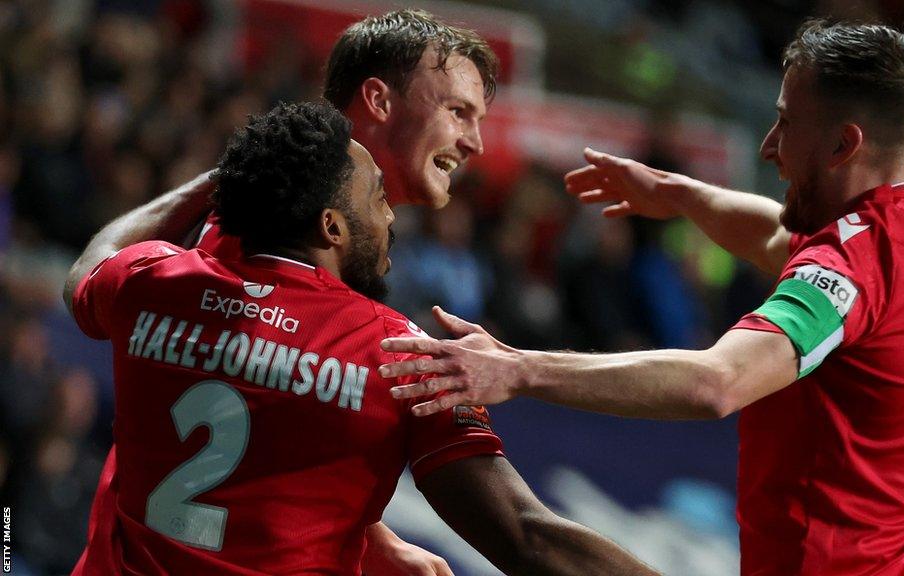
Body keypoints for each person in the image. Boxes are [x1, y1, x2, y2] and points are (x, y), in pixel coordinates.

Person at [382, 19, 904, 575]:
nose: (769, 147)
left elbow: (718, 383)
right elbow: (772, 232)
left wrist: (518, 368)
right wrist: (675, 193)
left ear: (844, 145)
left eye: (786, 123)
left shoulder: (851, 264)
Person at [65, 101, 655, 575]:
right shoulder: (396, 350)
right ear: (331, 226)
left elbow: (89, 265)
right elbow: (527, 540)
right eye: (378, 197)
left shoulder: (151, 282)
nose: (392, 217)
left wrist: (218, 181)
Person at [77, 9, 499, 574]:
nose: (474, 141)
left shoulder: (320, 231)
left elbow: (262, 427)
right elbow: (238, 400)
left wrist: (376, 539)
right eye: (457, 112)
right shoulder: (253, 231)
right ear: (378, 101)